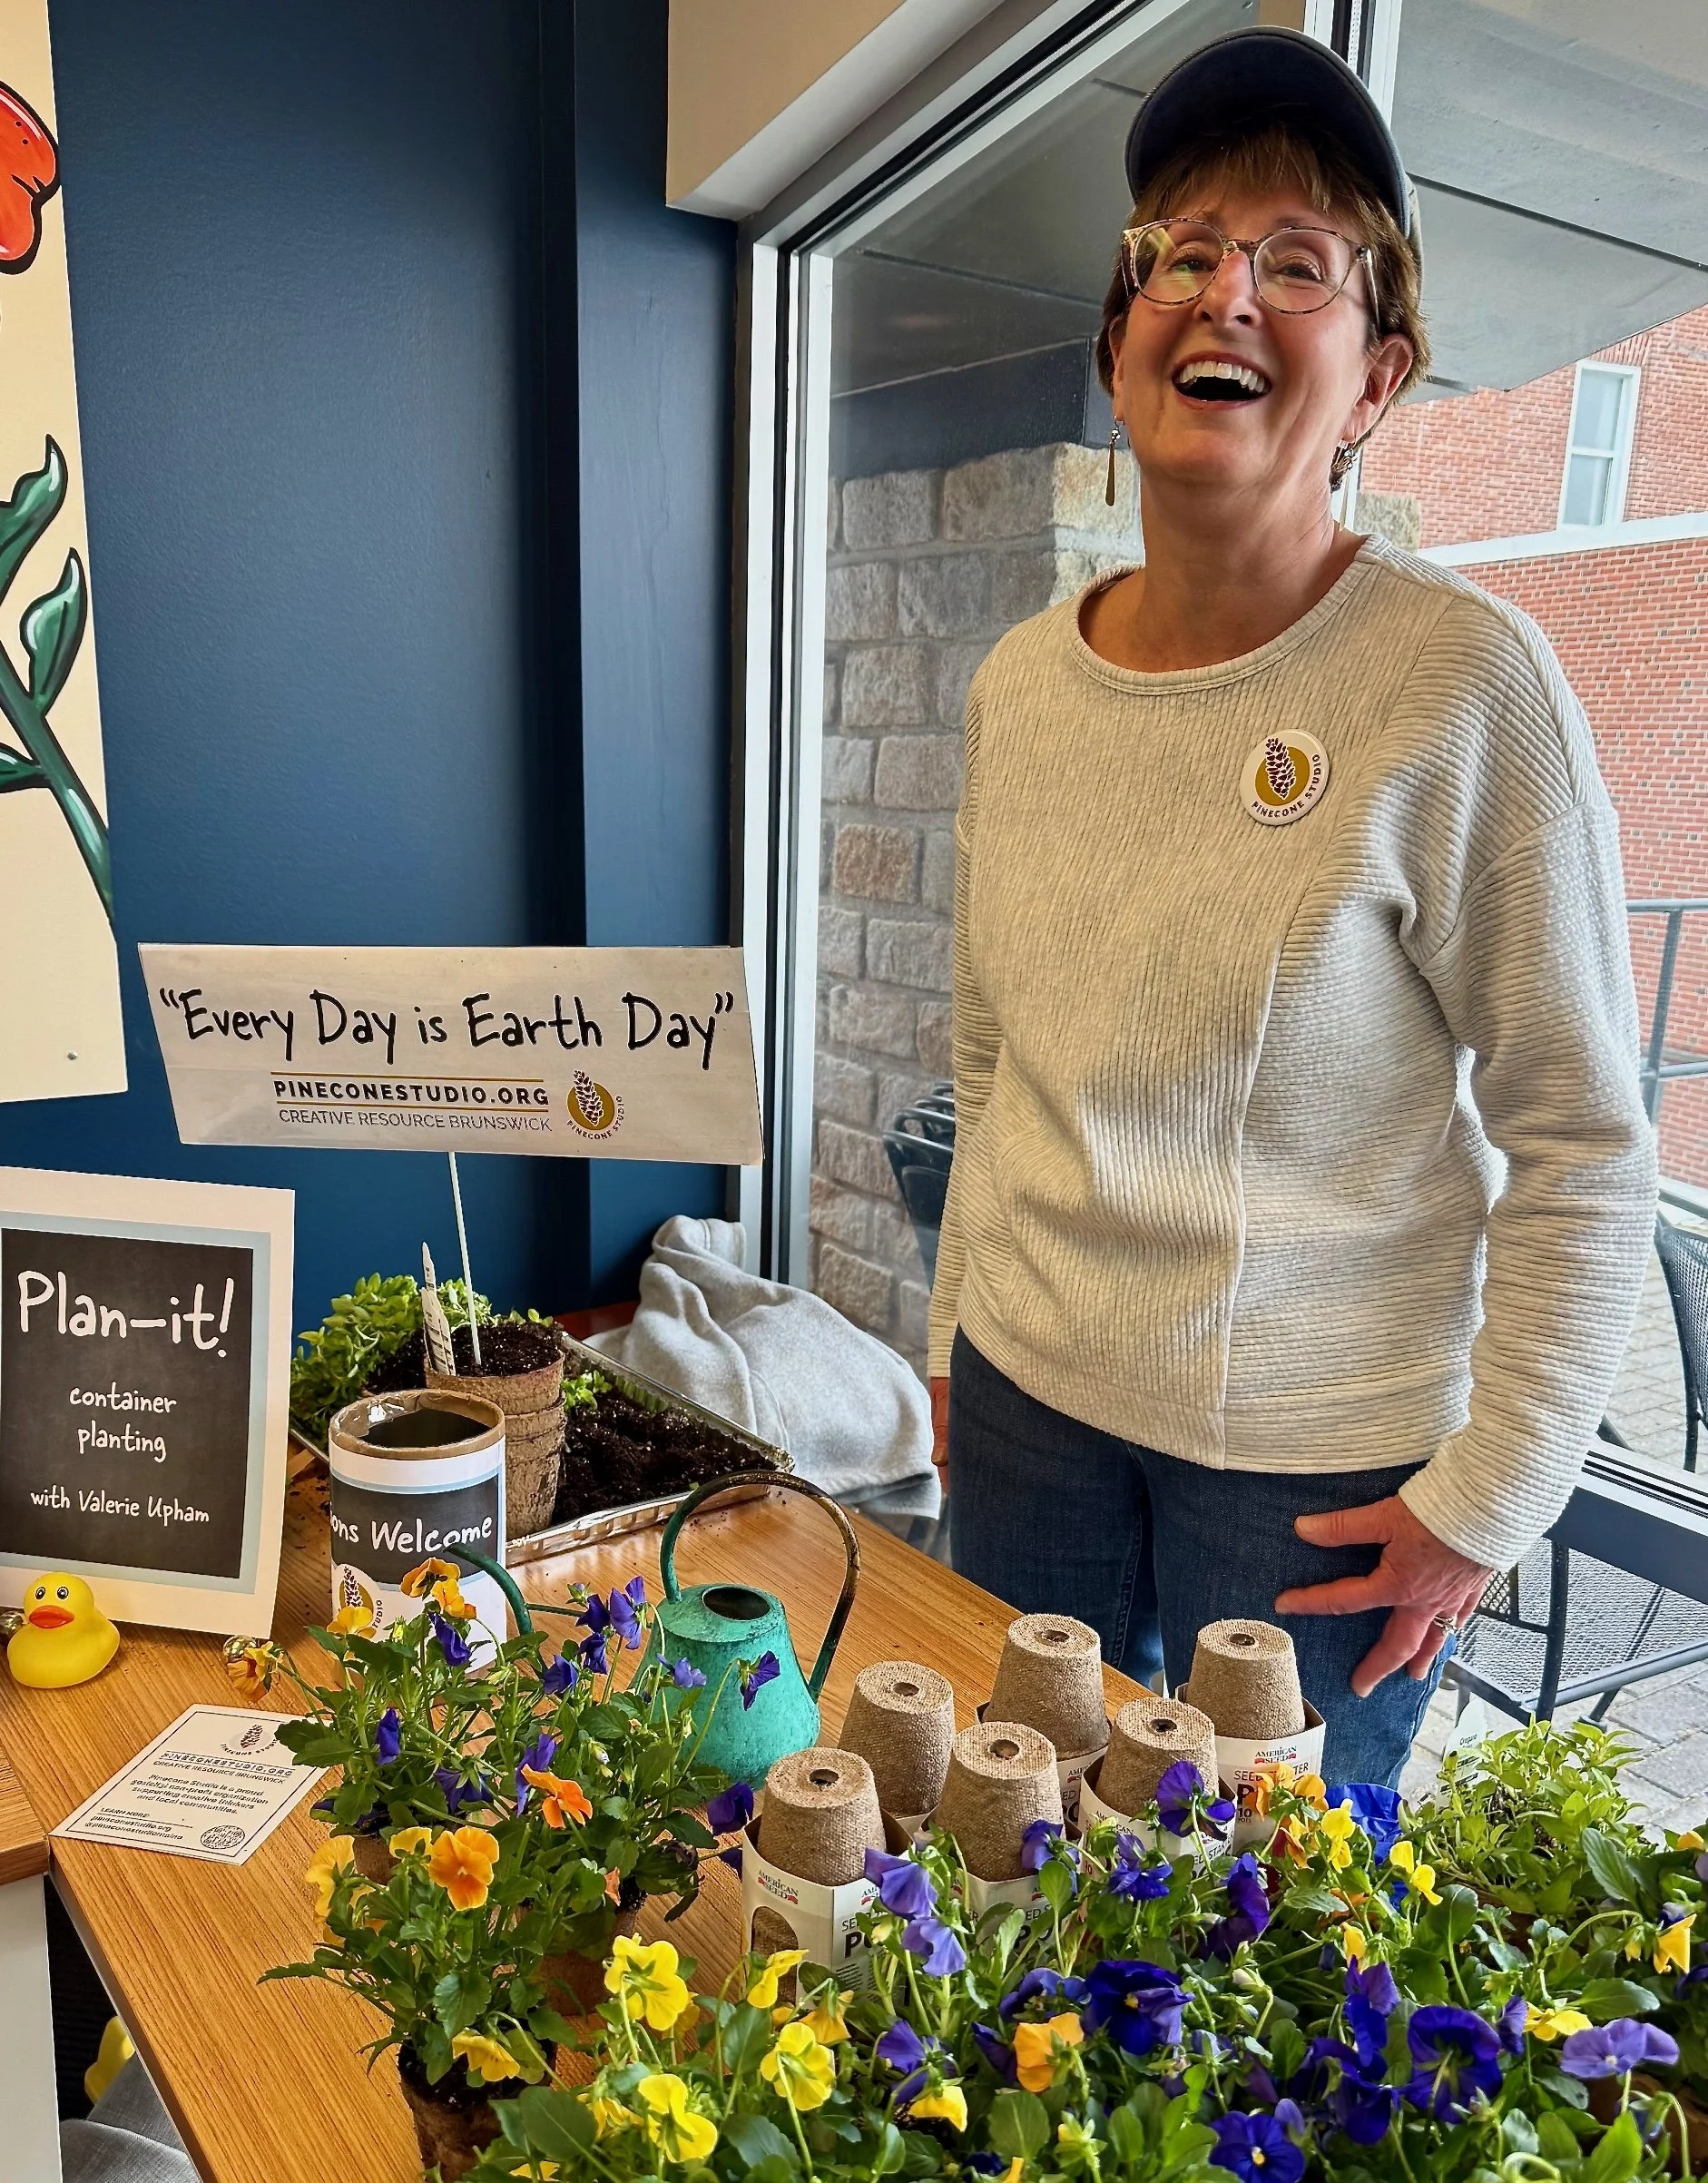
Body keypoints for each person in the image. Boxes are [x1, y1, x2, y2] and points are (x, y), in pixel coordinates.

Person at [925, 26, 1656, 1786]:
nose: (1220, 296)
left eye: (1294, 264)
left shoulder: (1464, 690)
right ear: (1117, 348)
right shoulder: (1022, 684)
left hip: (1314, 1485)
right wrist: (953, 1335)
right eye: (1176, 255)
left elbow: (1581, 1140)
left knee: (1272, 1987)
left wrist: (1486, 1498)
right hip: (1025, 1410)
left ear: (1378, 374)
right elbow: (987, 1047)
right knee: (1001, 1914)